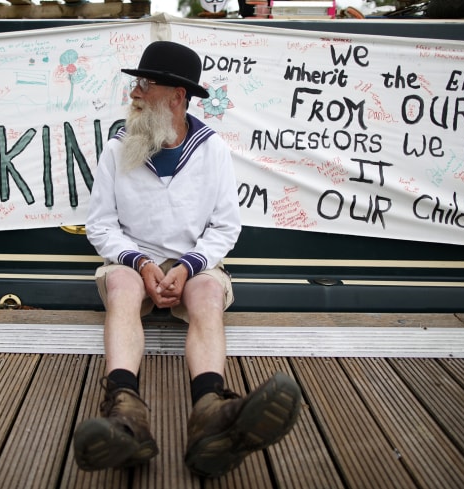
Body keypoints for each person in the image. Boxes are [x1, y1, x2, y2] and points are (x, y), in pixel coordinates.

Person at [73, 41, 302, 478]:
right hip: (133, 262)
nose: (135, 93)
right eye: (136, 83)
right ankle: (125, 414)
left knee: (208, 294)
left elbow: (225, 227)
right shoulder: (118, 147)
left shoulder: (211, 149)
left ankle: (210, 413)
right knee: (121, 288)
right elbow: (101, 225)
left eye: (145, 84)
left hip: (191, 264)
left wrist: (188, 266)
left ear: (177, 97)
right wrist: (139, 263)